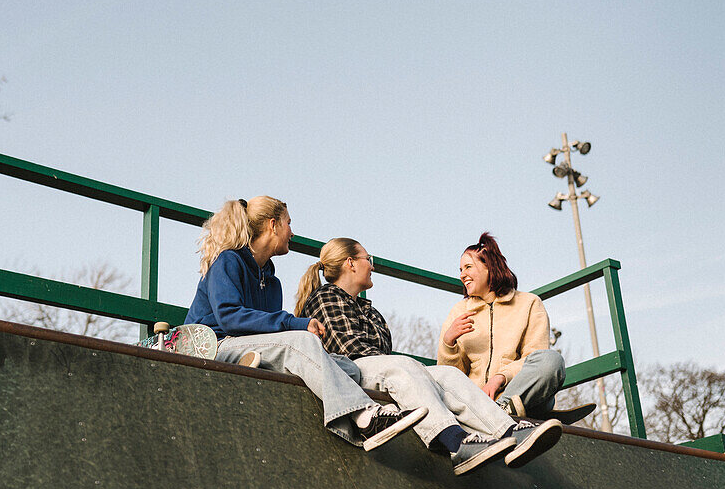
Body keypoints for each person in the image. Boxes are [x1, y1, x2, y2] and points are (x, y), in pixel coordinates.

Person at [296, 237, 563, 474]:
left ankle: (509, 430)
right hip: (351, 370)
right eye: (368, 259)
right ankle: (456, 443)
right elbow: (349, 349)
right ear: (350, 263)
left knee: (446, 374)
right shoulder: (325, 296)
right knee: (404, 366)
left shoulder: (371, 311)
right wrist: (445, 344)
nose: (372, 265)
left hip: (384, 368)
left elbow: (385, 354)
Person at [184, 196, 427, 450]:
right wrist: (294, 323)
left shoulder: (272, 282)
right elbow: (230, 317)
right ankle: (366, 417)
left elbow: (270, 332)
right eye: (288, 223)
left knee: (349, 369)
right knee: (300, 341)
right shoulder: (228, 260)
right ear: (273, 225)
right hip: (216, 345)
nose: (292, 232)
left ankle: (261, 363)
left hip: (247, 345)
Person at [437, 232, 595, 424]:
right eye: (460, 269)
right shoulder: (459, 311)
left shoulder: (528, 304)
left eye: (468, 267)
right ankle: (496, 414)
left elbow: (535, 356)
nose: (462, 275)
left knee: (551, 360)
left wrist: (500, 377)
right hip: (475, 401)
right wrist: (449, 343)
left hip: (521, 395)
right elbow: (450, 378)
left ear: (489, 267)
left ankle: (500, 411)